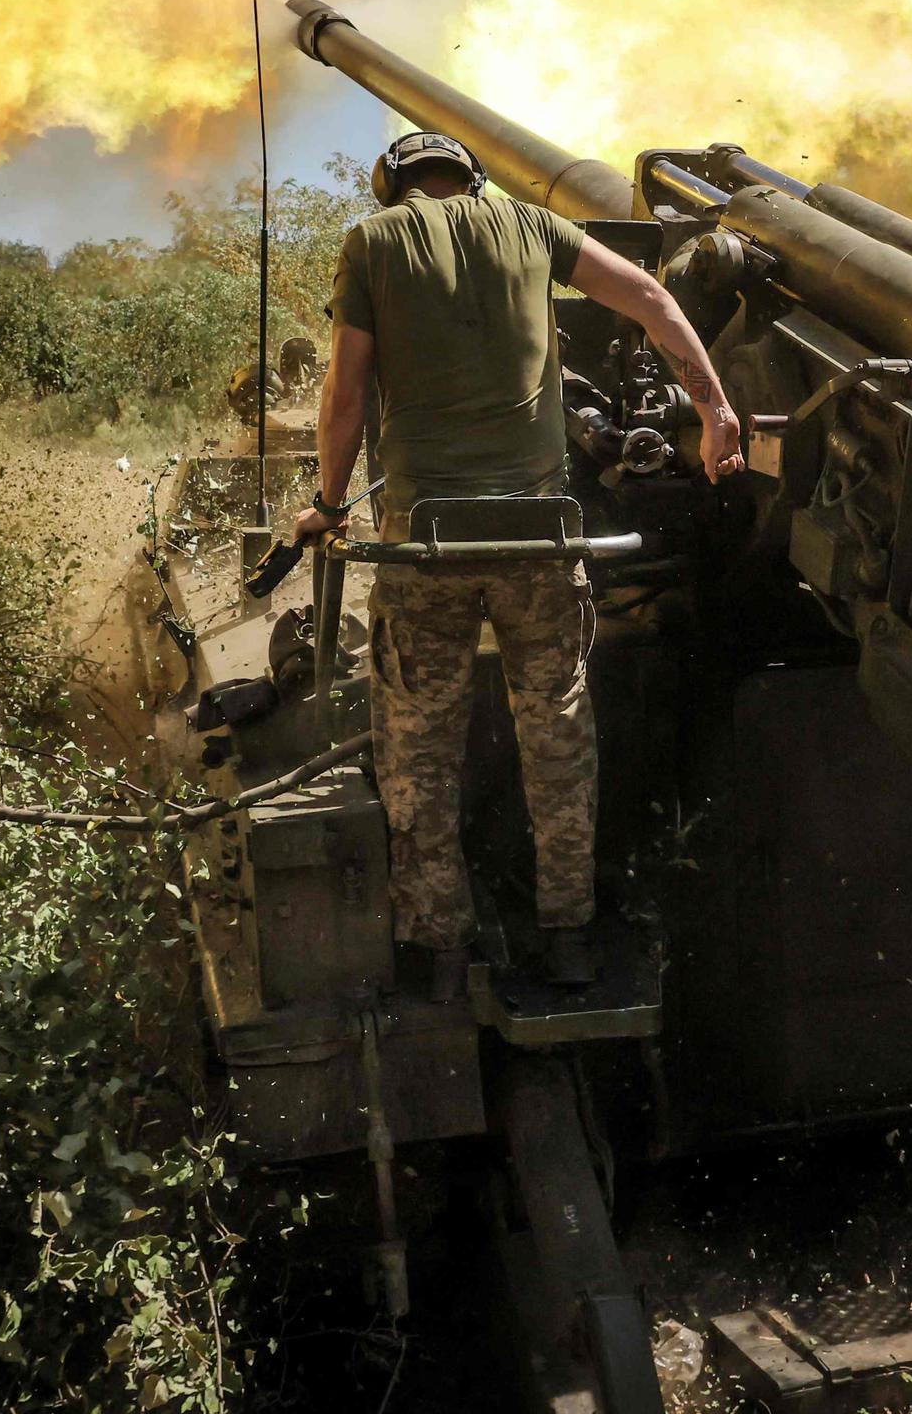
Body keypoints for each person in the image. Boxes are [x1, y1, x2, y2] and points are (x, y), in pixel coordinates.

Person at [292, 131, 743, 999]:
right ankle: (568, 935)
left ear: (394, 186)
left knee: (419, 747)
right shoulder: (534, 227)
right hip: (545, 536)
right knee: (559, 736)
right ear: (472, 176)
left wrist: (329, 500)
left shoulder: (371, 242)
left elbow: (345, 393)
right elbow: (651, 295)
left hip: (428, 539)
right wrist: (715, 408)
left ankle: (438, 947)